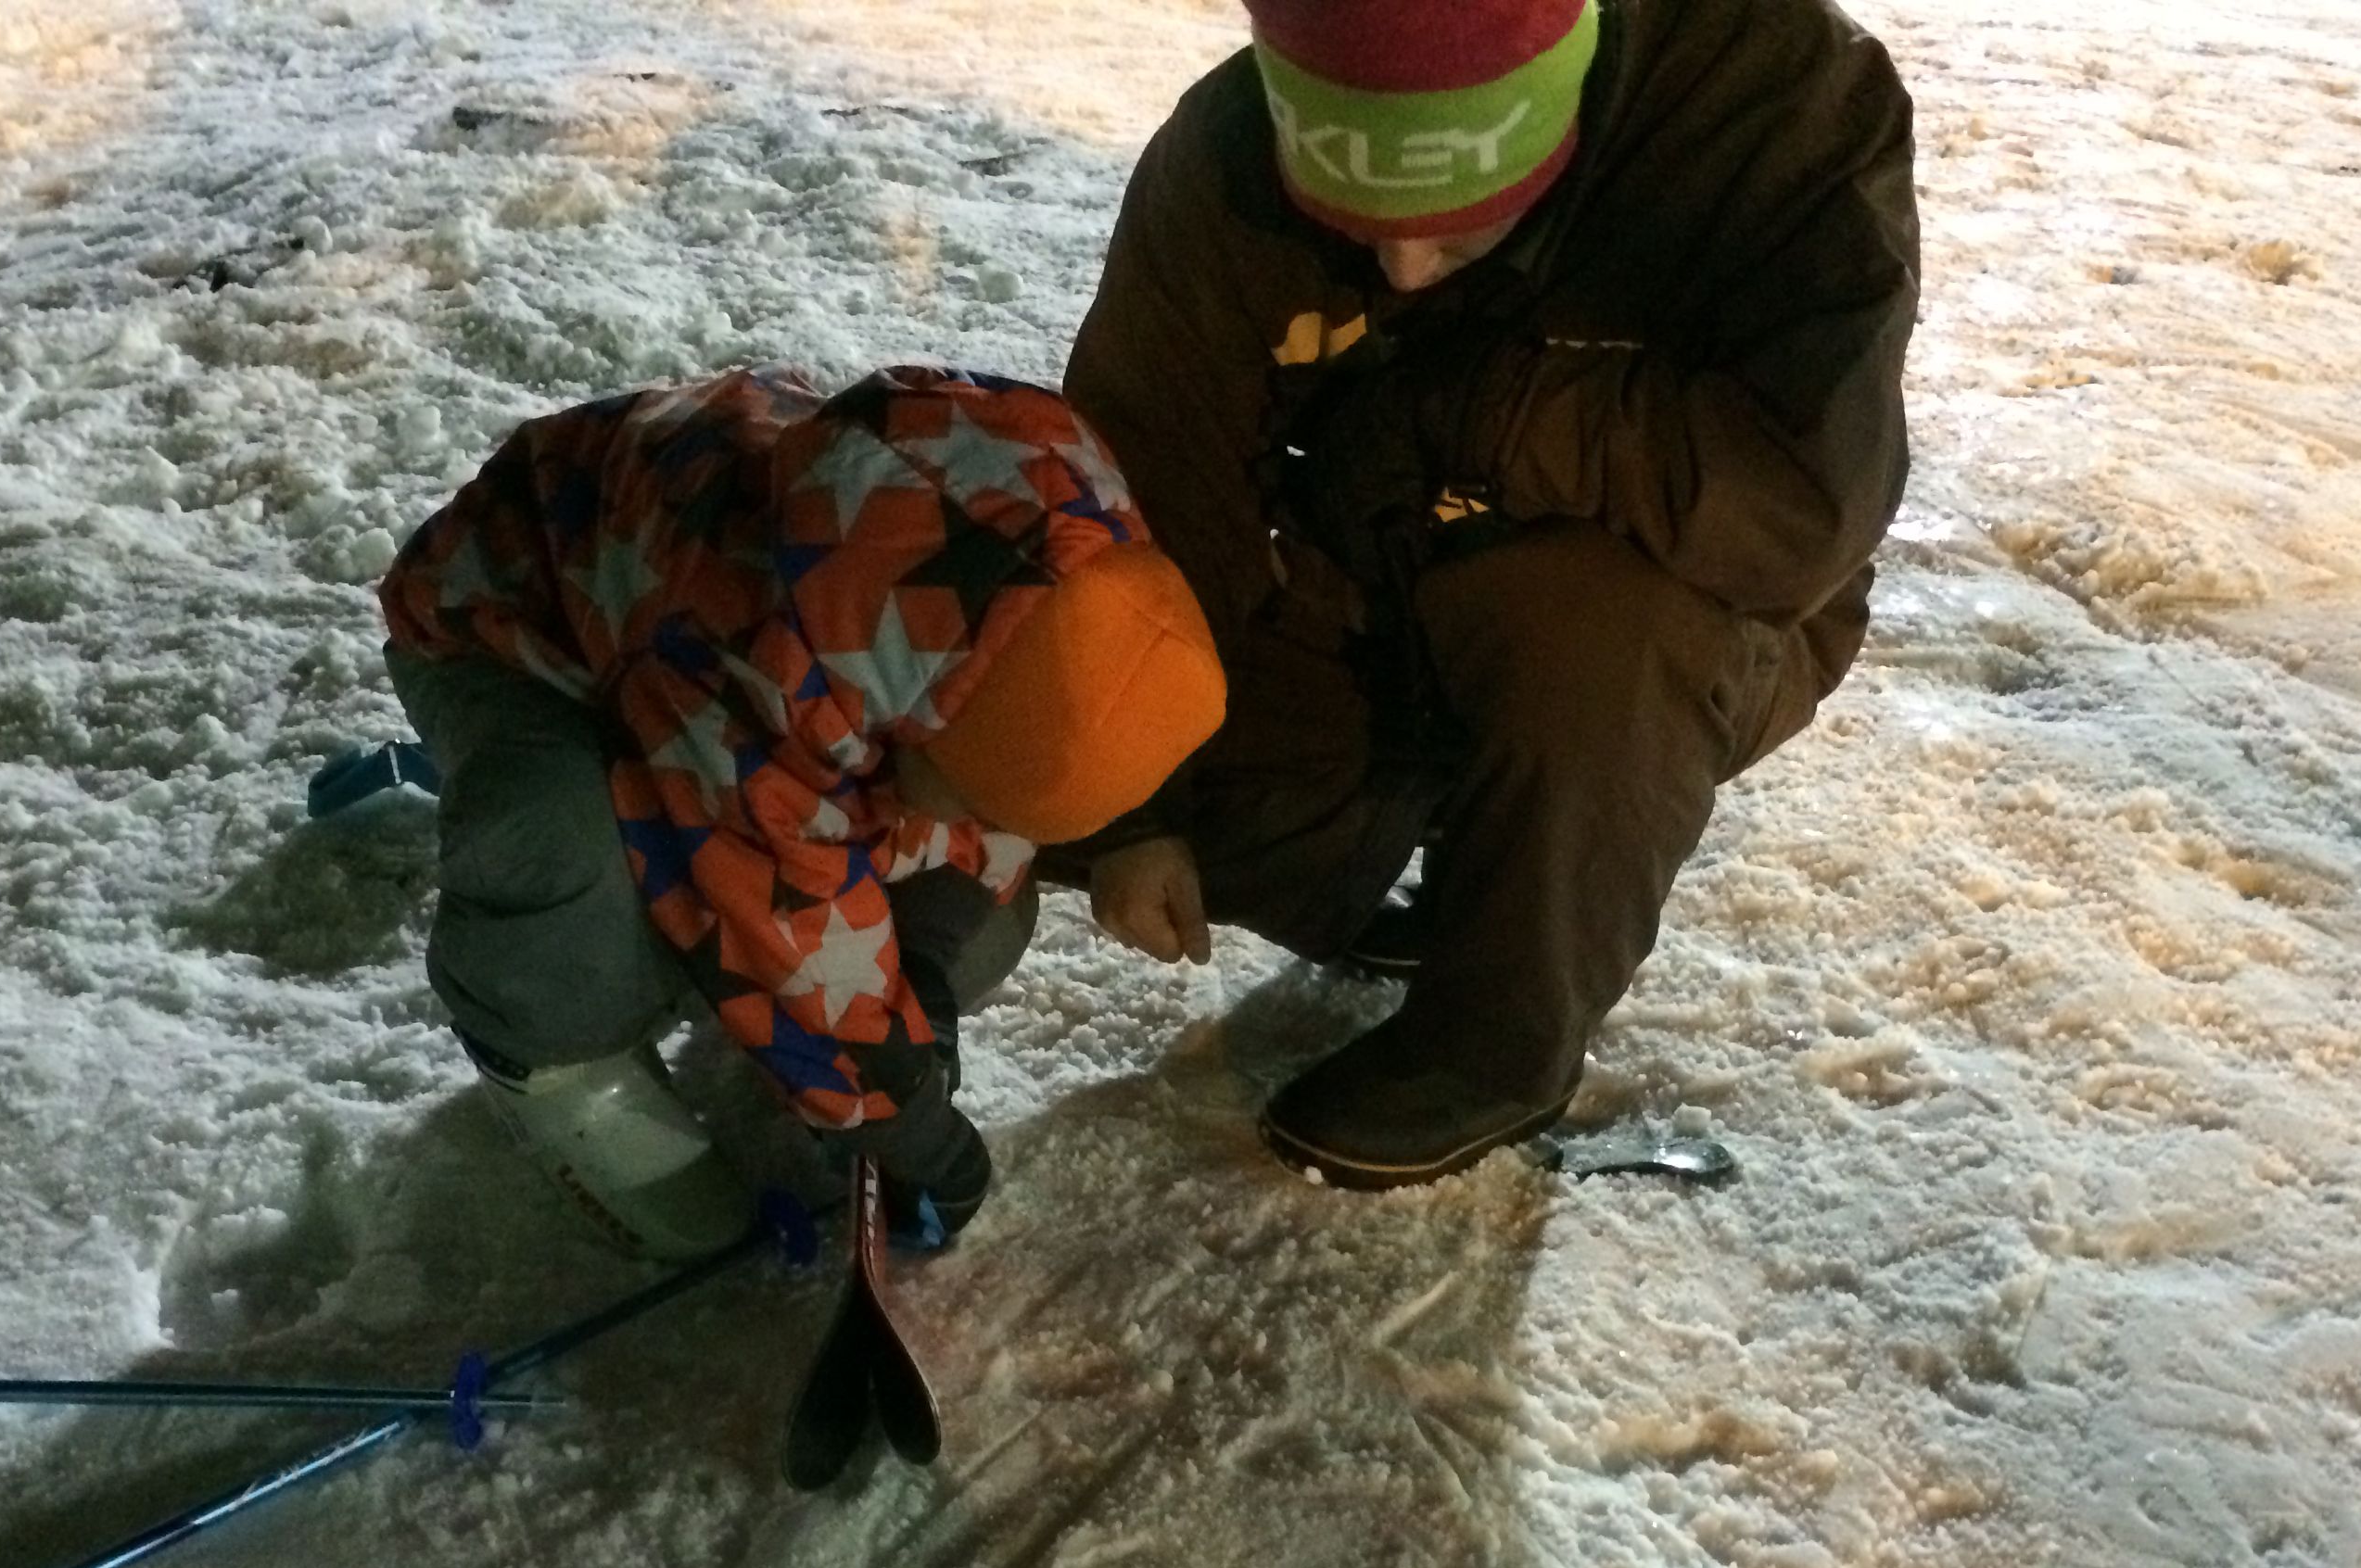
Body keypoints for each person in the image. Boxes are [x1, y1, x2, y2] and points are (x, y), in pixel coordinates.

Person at [1059, 0, 1920, 1187]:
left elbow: (1802, 510)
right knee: (1087, 774)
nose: (1402, 269)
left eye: (1457, 237)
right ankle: (1403, 866)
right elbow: (1145, 477)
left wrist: (1488, 417)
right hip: (1368, 558)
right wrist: (1135, 811)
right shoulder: (1224, 153)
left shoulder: (1773, 102)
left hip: (1690, 601)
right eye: (1356, 227)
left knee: (1591, 633)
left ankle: (1498, 1044)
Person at [375, 367, 1225, 1258]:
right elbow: (774, 901)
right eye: (973, 791)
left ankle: (771, 992)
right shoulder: (750, 669)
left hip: (720, 663)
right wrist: (899, 1118)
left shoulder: (1016, 601)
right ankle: (541, 1042)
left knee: (969, 920)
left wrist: (919, 967)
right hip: (514, 638)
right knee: (568, 848)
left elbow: (984, 801)